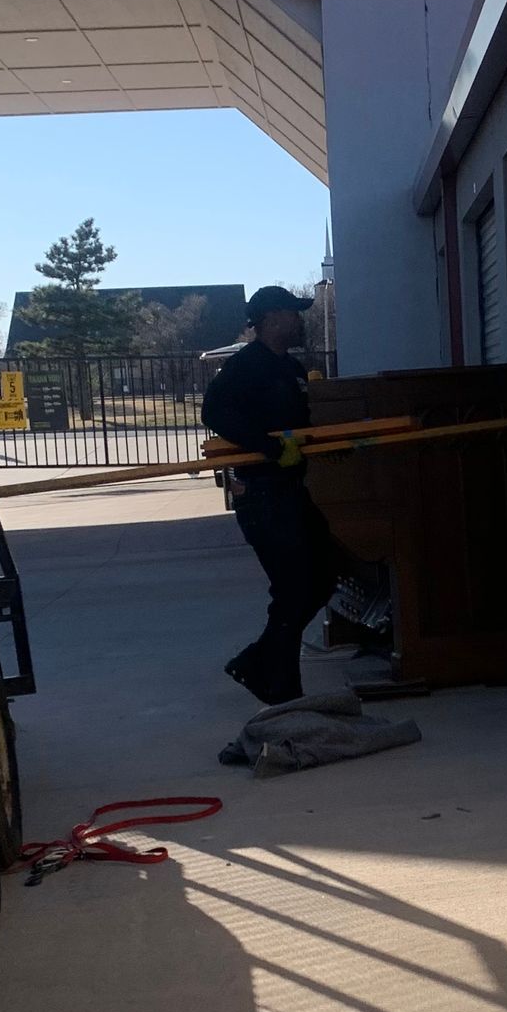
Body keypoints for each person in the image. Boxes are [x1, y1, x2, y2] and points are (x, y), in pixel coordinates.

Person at [202, 286, 344, 705]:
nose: (299, 321)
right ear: (271, 318)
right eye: (293, 313)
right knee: (294, 586)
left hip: (291, 491)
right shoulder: (246, 366)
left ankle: (260, 663)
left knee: (322, 577)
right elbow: (214, 412)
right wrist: (268, 448)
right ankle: (279, 683)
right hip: (262, 495)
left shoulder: (291, 368)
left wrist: (326, 444)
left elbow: (301, 426)